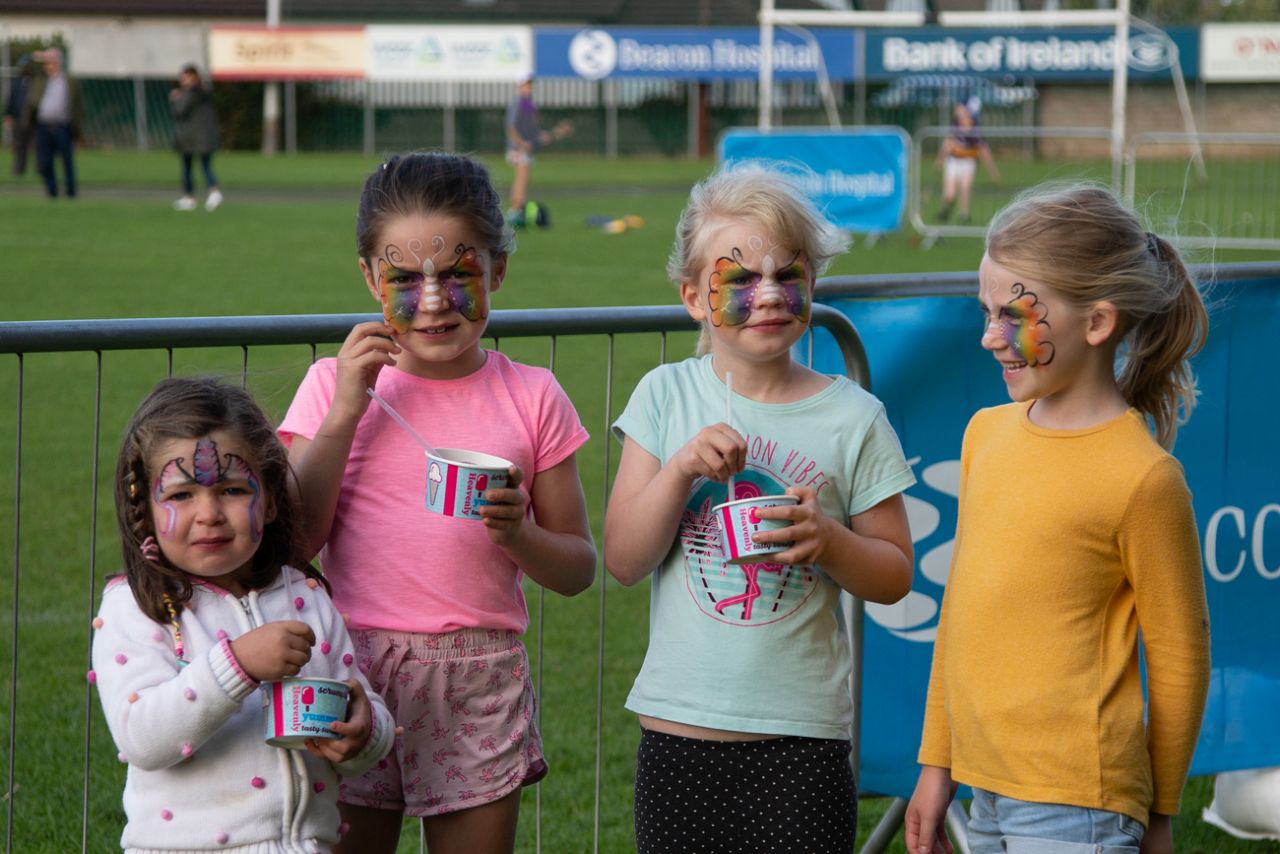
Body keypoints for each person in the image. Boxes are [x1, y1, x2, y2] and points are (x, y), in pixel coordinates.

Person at [280, 151, 597, 854]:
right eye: (405, 278)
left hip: (478, 680)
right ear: (369, 277)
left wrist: (519, 536)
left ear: (498, 270)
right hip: (351, 670)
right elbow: (294, 543)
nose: (433, 301)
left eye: (459, 274)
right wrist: (343, 415)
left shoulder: (534, 397)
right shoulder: (333, 386)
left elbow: (578, 568)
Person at [604, 161, 917, 854]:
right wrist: (682, 466)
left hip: (801, 744)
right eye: (739, 279)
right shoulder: (665, 396)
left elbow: (895, 575)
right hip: (679, 736)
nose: (769, 294)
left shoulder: (854, 416)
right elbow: (624, 558)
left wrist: (829, 540)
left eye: (788, 274)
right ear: (693, 297)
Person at [904, 184, 1211, 854]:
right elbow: (960, 611)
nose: (989, 338)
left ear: (1097, 324)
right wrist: (937, 765)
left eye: (1011, 316)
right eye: (984, 313)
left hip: (1083, 807)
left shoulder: (1145, 478)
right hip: (984, 790)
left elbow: (1181, 658)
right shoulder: (985, 434)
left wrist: (1159, 812)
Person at [91, 376, 396, 852]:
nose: (209, 513)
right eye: (180, 496)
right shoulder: (136, 607)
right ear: (143, 509)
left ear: (271, 499)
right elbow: (142, 738)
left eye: (232, 490)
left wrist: (364, 733)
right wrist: (237, 666)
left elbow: (358, 705)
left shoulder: (306, 596)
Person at [503, 75, 570, 227]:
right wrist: (520, 143)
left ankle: (517, 211)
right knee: (521, 179)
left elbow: (534, 133)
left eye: (530, 85)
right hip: (518, 149)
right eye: (526, 85)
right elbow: (510, 128)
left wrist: (550, 134)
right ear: (519, 87)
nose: (529, 88)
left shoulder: (529, 105)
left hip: (526, 149)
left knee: (523, 180)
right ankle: (514, 213)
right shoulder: (518, 104)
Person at [23, 47, 82, 199]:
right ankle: (52, 191)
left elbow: (77, 105)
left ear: (59, 62)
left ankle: (71, 192)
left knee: (67, 161)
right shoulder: (40, 79)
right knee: (44, 161)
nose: (49, 65)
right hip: (43, 126)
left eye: (52, 61)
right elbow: (25, 69)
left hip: (63, 125)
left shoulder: (69, 81)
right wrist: (37, 55)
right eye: (47, 62)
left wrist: (77, 128)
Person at [936, 99, 999, 225]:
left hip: (968, 161)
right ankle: (946, 209)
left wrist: (992, 169)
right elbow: (948, 142)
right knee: (950, 194)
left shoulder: (975, 128)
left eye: (960, 107)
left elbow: (983, 149)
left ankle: (964, 214)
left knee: (965, 188)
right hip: (953, 160)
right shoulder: (955, 125)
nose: (957, 109)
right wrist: (940, 158)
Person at [169, 64, 222, 211]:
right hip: (199, 138)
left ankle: (192, 197)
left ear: (193, 78)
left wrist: (175, 99)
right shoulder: (204, 92)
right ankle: (209, 194)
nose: (183, 81)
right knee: (203, 166)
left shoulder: (190, 94)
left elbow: (180, 111)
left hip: (192, 138)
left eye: (186, 78)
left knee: (192, 167)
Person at [3, 54, 36, 176]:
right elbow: (11, 98)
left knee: (36, 144)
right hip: (19, 116)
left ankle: (40, 169)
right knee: (19, 144)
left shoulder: (35, 80)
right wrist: (8, 115)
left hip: (33, 118)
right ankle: (19, 168)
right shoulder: (16, 81)